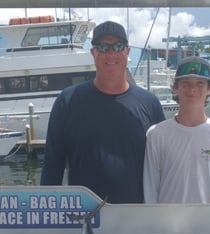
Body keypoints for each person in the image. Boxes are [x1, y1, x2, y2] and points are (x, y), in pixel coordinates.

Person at [40, 21, 165, 203]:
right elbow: (52, 166)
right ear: (93, 52)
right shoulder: (66, 101)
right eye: (103, 47)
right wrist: (47, 220)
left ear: (127, 51)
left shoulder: (150, 103)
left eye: (118, 46)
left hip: (138, 217)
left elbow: (163, 165)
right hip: (84, 218)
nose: (111, 53)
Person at [143, 56, 210, 204]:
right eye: (186, 83)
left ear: (209, 89)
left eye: (200, 83)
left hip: (209, 225)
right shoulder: (156, 134)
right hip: (166, 225)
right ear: (175, 87)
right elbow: (150, 191)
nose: (192, 89)